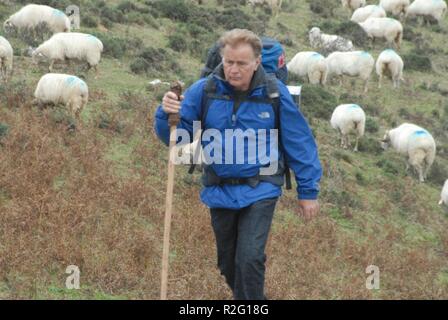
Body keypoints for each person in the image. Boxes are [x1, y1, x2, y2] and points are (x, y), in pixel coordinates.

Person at [154, 29, 322, 300]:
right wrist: (166, 113)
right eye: (229, 62)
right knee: (228, 264)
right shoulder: (205, 90)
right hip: (219, 189)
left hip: (261, 188)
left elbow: (299, 141)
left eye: (241, 63)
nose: (233, 69)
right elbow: (175, 137)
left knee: (249, 259)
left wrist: (308, 191)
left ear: (256, 62)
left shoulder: (273, 93)